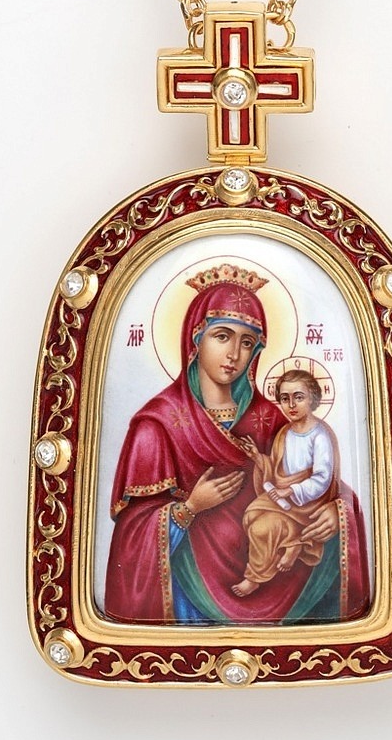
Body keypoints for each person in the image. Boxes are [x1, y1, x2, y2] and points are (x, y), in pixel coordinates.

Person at [104, 263, 370, 624]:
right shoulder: (157, 426)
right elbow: (131, 537)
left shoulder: (272, 419)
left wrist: (336, 512)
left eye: (247, 343)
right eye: (222, 336)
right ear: (195, 338)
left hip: (279, 584)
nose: (234, 354)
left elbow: (318, 482)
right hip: (188, 598)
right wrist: (190, 508)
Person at [232, 370, 341, 597]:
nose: (291, 404)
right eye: (284, 398)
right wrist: (257, 458)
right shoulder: (285, 433)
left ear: (312, 398)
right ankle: (293, 541)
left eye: (298, 397)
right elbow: (276, 470)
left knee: (261, 529)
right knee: (250, 516)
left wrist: (290, 490)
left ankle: (254, 577)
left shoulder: (320, 436)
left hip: (308, 505)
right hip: (284, 498)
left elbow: (322, 479)